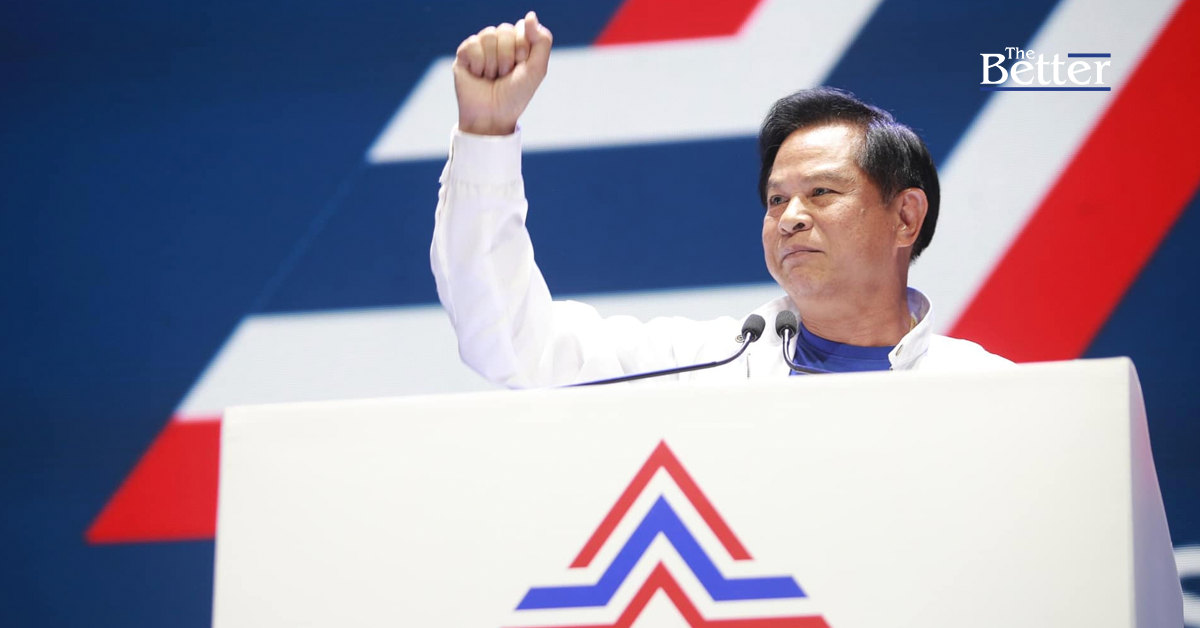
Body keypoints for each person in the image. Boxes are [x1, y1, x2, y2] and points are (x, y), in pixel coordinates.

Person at [431, 12, 1011, 388]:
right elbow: (513, 342)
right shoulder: (707, 366)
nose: (790, 218)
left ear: (905, 216)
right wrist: (486, 133)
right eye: (776, 200)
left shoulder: (987, 389)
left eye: (821, 192)